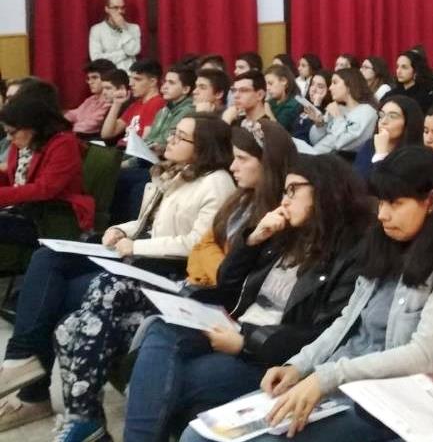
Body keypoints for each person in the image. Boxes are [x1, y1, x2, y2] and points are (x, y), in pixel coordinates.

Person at [180, 146, 433, 442]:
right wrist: (300, 365)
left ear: (431, 201)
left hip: (395, 398)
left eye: (396, 203)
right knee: (200, 434)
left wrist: (328, 377)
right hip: (342, 380)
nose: (383, 214)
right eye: (382, 203)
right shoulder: (385, 242)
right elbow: (347, 322)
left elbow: (425, 356)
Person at [47, 122, 296, 440]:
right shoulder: (239, 199)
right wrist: (126, 230)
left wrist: (238, 249)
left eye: (243, 159)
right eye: (233, 157)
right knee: (71, 327)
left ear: (268, 163)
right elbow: (207, 248)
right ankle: (85, 419)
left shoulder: (253, 202)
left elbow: (214, 264)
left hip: (205, 294)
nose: (233, 166)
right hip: (197, 286)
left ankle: (91, 421)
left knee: (112, 300)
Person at [0, 113, 233, 432]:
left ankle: (74, 414)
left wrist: (133, 248)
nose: (170, 140)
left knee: (73, 314)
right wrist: (117, 231)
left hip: (174, 274)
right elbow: (145, 224)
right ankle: (29, 367)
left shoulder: (216, 182)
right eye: (173, 134)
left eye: (180, 137)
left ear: (203, 147)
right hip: (143, 260)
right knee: (48, 261)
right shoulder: (173, 173)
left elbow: (196, 243)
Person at [118, 153, 373, 442]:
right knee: (160, 331)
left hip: (268, 355)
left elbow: (323, 332)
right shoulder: (285, 235)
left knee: (172, 383)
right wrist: (252, 240)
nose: (284, 200)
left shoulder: (351, 254)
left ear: (325, 190)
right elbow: (228, 285)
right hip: (233, 325)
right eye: (284, 191)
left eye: (293, 190)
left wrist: (246, 343)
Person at [0, 93, 93, 241]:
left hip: (54, 214)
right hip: (23, 209)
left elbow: (45, 189)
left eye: (12, 133)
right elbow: (15, 180)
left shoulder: (64, 143)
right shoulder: (21, 142)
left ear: (32, 127)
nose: (9, 138)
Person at [307, 68, 378, 155]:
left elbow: (342, 143)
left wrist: (338, 117)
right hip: (317, 156)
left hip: (340, 163)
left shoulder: (367, 111)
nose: (330, 87)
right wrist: (320, 124)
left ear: (349, 85)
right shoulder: (338, 108)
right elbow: (315, 141)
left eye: (335, 83)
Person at [353, 95, 423, 179]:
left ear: (408, 123)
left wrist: (380, 153)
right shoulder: (370, 145)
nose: (383, 121)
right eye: (381, 115)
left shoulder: (415, 156)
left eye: (393, 116)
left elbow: (385, 187)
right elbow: (356, 180)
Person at [100, 59, 166, 142]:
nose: (131, 84)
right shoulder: (136, 105)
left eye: (137, 79)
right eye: (131, 79)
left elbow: (145, 143)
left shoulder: (157, 103)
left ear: (153, 82)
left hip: (132, 152)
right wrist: (116, 104)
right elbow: (106, 134)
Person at [144, 65, 196, 151]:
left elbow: (165, 141)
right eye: (165, 82)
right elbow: (150, 137)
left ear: (185, 89)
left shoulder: (188, 111)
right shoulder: (163, 111)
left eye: (171, 83)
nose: (164, 87)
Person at [88, 0, 141, 71]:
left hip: (129, 76)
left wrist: (122, 29)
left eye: (122, 8)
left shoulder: (134, 28)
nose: (120, 11)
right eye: (115, 8)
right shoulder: (96, 30)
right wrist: (126, 54)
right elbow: (97, 60)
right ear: (107, 9)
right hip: (107, 76)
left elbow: (133, 50)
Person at [65, 59, 117, 138]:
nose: (90, 82)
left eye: (94, 78)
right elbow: (74, 114)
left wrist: (68, 127)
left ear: (108, 79)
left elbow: (87, 127)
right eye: (88, 78)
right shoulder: (90, 99)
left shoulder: (110, 102)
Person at [292, 70, 332, 142]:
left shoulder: (329, 112)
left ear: (328, 91)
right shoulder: (304, 105)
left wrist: (317, 106)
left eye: (320, 87)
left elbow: (311, 135)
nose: (313, 89)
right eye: (312, 84)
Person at [263, 64, 302, 131]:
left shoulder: (294, 104)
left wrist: (265, 103)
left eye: (270, 83)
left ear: (284, 81)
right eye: (266, 84)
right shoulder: (272, 101)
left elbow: (277, 131)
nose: (267, 88)